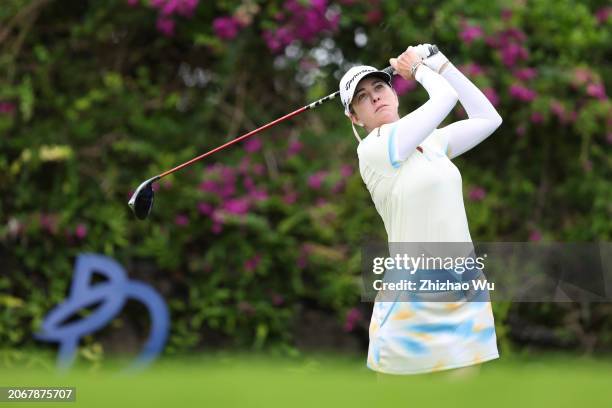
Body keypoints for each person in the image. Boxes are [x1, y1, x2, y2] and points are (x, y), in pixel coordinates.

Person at [338, 45, 503, 376]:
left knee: (464, 399)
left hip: (464, 285)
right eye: (362, 97)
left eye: (379, 87)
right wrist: (419, 70)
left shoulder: (434, 143)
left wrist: (440, 62)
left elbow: (489, 118)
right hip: (413, 292)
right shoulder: (373, 149)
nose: (374, 97)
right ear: (355, 117)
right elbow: (444, 100)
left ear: (393, 93)